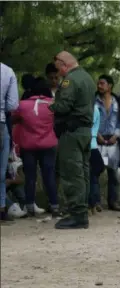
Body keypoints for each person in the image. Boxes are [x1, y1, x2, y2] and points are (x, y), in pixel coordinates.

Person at [49, 51, 95, 229]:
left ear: (63, 64)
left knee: (72, 174)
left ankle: (77, 215)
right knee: (82, 173)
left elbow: (64, 106)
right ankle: (82, 211)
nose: (59, 73)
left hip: (71, 133)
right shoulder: (87, 78)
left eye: (58, 68)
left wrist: (51, 105)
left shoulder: (70, 80)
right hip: (85, 132)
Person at [13, 77, 59, 217]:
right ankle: (54, 205)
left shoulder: (22, 105)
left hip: (28, 146)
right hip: (49, 144)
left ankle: (29, 206)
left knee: (30, 177)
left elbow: (14, 119)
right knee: (49, 175)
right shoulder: (52, 104)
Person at [95, 74, 120, 212]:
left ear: (110, 85)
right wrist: (96, 134)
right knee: (96, 172)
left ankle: (113, 201)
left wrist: (116, 135)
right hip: (98, 140)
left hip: (112, 142)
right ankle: (96, 202)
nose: (99, 86)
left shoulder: (117, 102)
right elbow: (89, 120)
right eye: (98, 84)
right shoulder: (93, 102)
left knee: (114, 173)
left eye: (102, 83)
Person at [1, 63, 19, 224]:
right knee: (1, 171)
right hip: (0, 123)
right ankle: (1, 210)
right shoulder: (7, 71)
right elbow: (12, 105)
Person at [88, 104, 103, 215]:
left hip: (90, 145)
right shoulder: (95, 108)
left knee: (90, 176)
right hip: (92, 145)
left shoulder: (93, 108)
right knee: (92, 176)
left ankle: (92, 202)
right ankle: (94, 202)